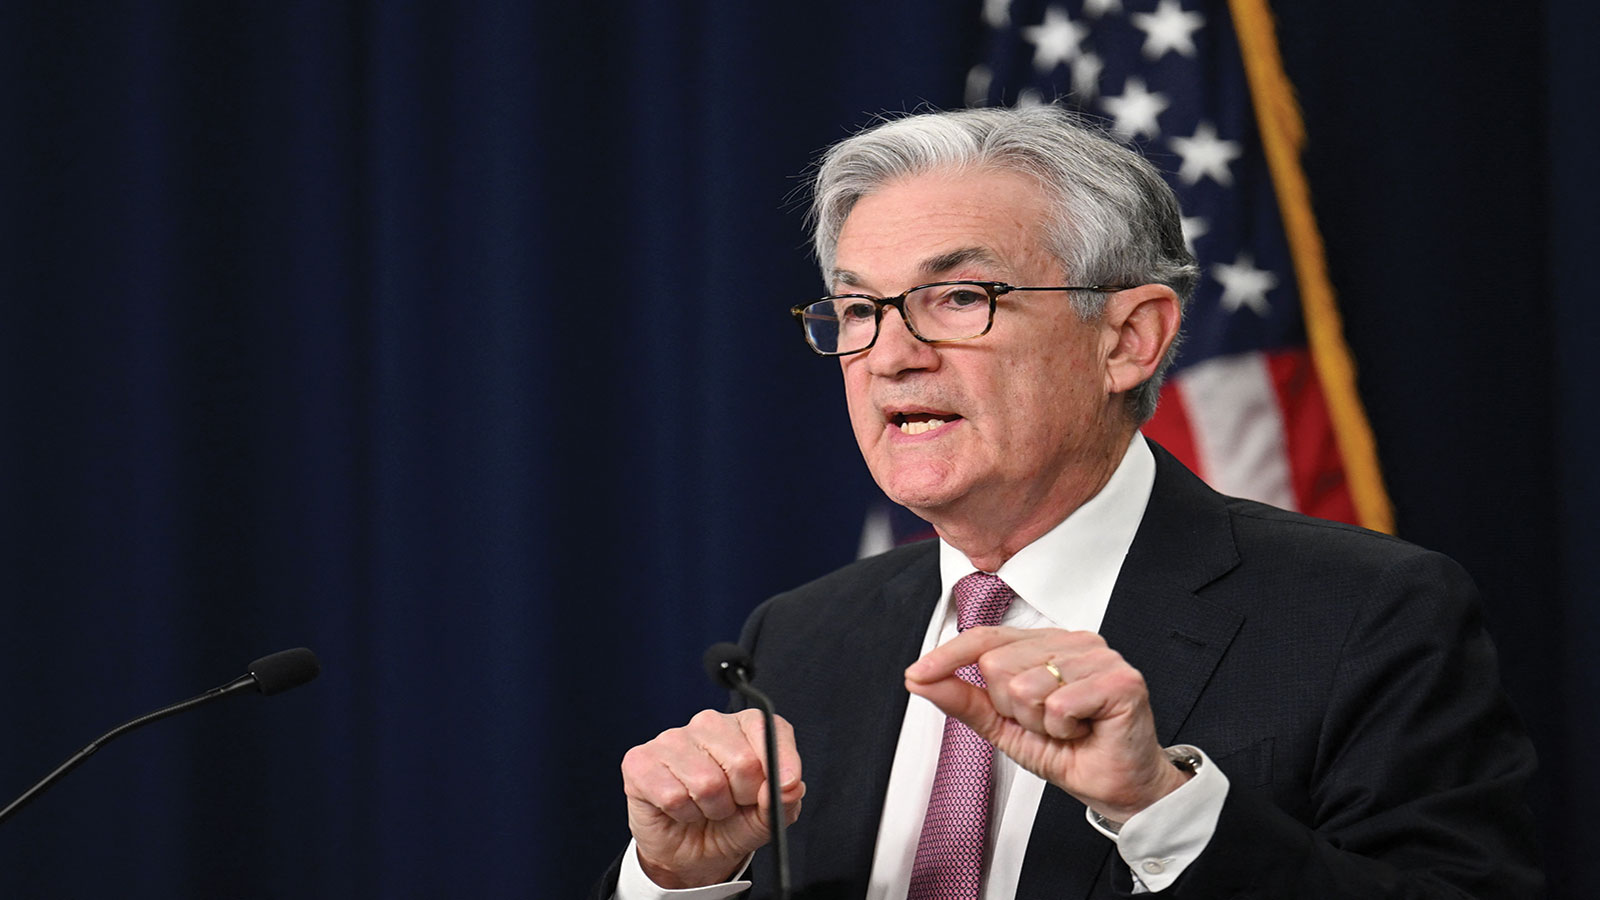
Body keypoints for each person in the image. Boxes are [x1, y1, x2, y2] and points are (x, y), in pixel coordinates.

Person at [592, 106, 1542, 898]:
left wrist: (1160, 806)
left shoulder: (1363, 614)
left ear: (1128, 339)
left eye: (959, 297)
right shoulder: (798, 638)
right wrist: (680, 882)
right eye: (859, 309)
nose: (891, 356)